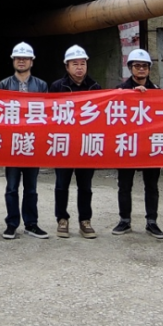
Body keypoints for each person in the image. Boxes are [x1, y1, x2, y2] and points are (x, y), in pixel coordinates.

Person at [0, 42, 50, 240]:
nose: (21, 61)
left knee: (31, 188)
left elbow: (47, 115)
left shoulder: (41, 85)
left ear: (32, 61)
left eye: (25, 58)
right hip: (12, 144)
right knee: (11, 188)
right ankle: (11, 224)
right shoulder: (3, 85)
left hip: (32, 144)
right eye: (18, 58)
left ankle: (31, 224)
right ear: (13, 61)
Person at [50, 45, 102, 239]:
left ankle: (85, 220)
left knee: (85, 186)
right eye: (75, 64)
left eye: (82, 63)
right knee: (61, 185)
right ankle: (62, 219)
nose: (79, 67)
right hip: (64, 144)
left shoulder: (95, 87)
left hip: (86, 145)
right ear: (67, 66)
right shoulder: (57, 87)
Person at [112, 48, 163, 240]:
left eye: (144, 66)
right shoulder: (119, 91)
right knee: (124, 186)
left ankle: (152, 222)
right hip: (127, 145)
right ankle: (124, 220)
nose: (141, 69)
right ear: (130, 68)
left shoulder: (158, 92)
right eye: (137, 66)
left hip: (151, 146)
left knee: (152, 186)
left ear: (149, 69)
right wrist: (130, 94)